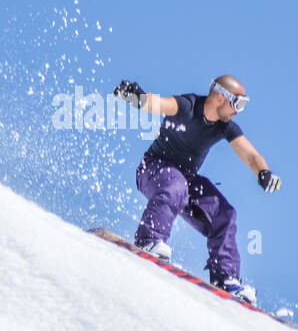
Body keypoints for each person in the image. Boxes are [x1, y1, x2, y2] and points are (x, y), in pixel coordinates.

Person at [112, 75, 281, 305]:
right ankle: (149, 239)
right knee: (176, 185)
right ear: (221, 97)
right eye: (238, 104)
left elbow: (250, 154)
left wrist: (263, 172)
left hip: (186, 180)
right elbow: (159, 104)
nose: (238, 111)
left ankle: (226, 277)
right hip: (153, 168)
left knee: (225, 214)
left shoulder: (225, 127)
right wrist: (138, 98)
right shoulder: (188, 106)